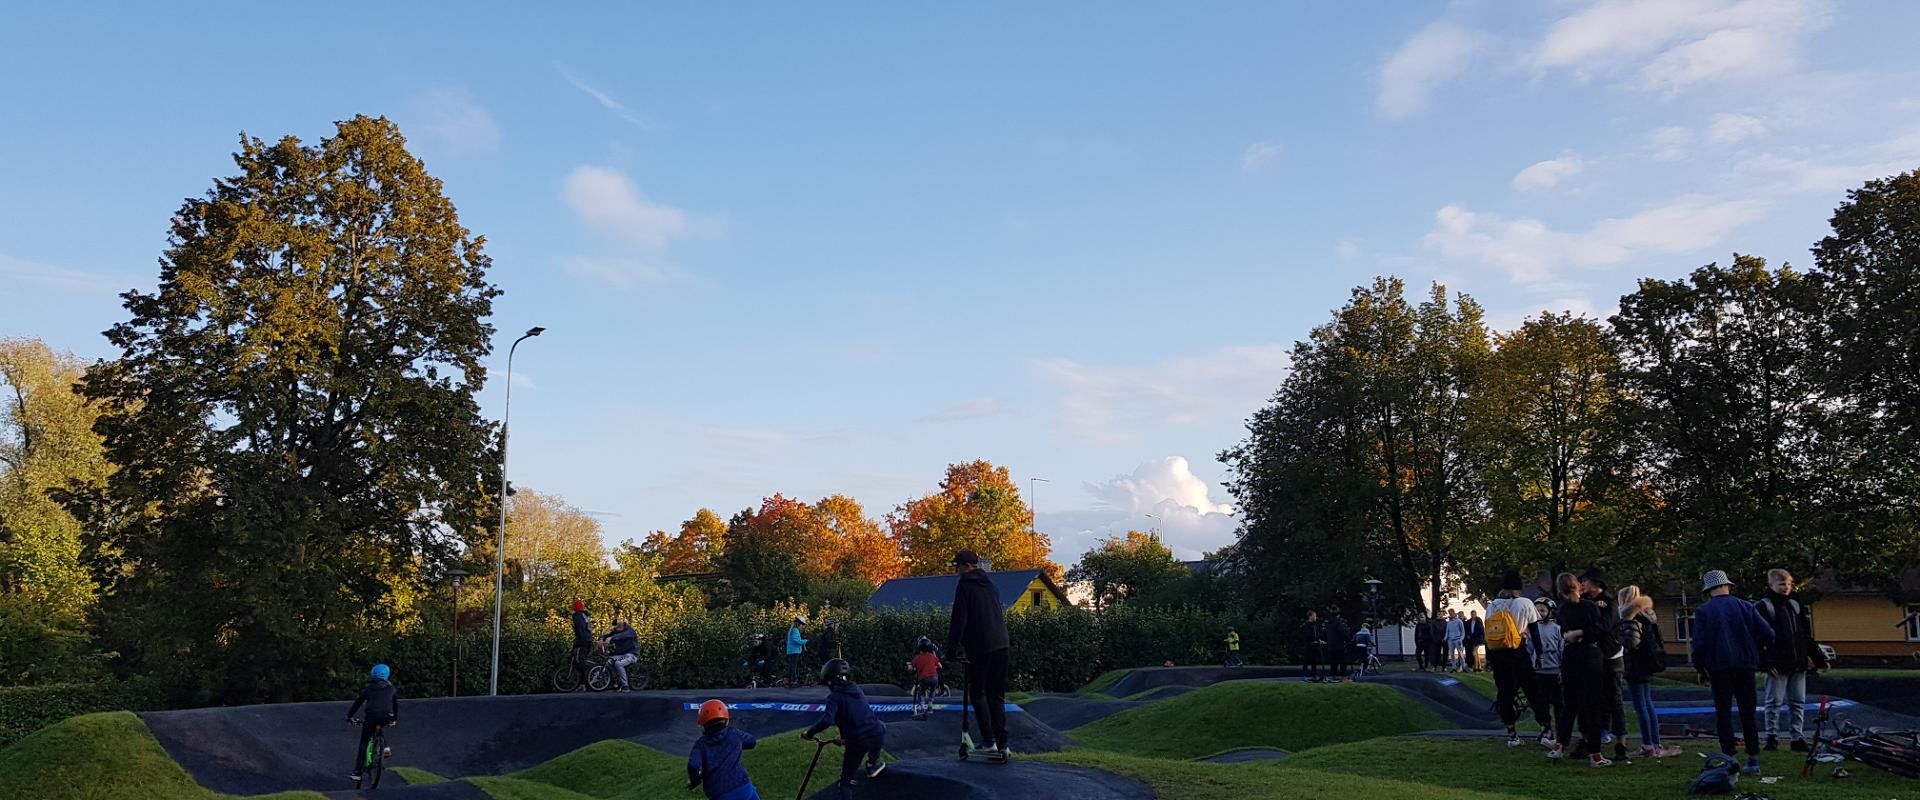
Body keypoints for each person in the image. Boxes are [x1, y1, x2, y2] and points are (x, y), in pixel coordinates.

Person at [1691, 569, 1776, 775]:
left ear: (1708, 590)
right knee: (1748, 712)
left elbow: (1699, 645)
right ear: (1728, 585)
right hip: (1746, 665)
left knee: (1724, 713)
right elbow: (1768, 633)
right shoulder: (1746, 606)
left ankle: (1730, 758)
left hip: (1719, 666)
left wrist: (1700, 668)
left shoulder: (1704, 611)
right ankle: (1753, 759)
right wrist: (1754, 648)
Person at [944, 549, 1012, 756]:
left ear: (965, 566)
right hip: (1002, 643)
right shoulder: (990, 584)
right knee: (996, 696)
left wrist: (951, 651)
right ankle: (1004, 744)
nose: (957, 571)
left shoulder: (965, 586)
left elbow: (959, 620)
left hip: (981, 646)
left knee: (978, 692)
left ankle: (989, 740)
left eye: (957, 566)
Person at [1754, 568, 1828, 751]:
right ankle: (1772, 736)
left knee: (1798, 702)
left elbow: (1806, 636)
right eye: (1781, 584)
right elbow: (1757, 639)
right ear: (1771, 585)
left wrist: (1818, 659)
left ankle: (1797, 737)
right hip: (1777, 664)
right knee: (1774, 702)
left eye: (1788, 584)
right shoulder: (1763, 607)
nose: (1785, 588)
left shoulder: (1795, 606)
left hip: (1798, 662)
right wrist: (1765, 663)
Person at [1550, 572, 1611, 767]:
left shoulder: (1562, 610)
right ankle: (1595, 753)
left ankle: (1560, 745)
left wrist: (1573, 634)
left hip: (1571, 656)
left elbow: (1563, 633)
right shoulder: (1589, 607)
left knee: (1569, 704)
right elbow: (1600, 628)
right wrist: (1585, 631)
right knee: (1593, 704)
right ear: (1577, 585)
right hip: (1591, 655)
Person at [803, 658, 887, 798]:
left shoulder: (834, 697)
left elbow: (827, 720)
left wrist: (810, 733)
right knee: (881, 727)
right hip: (877, 732)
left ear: (829, 680)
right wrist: (843, 739)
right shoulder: (857, 690)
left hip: (858, 741)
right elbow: (855, 716)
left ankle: (848, 786)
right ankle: (873, 763)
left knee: (845, 782)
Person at [1485, 570, 1548, 747]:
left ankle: (1512, 733)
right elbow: (1534, 632)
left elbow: (1488, 633)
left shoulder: (1493, 605)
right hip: (1517, 649)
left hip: (1498, 652)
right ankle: (1545, 728)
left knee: (1505, 693)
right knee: (1532, 690)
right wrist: (1539, 654)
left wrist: (1489, 658)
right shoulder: (1525, 603)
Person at [1620, 586, 1680, 759]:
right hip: (1648, 663)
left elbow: (1631, 643)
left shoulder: (1630, 617)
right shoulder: (1648, 615)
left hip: (1635, 665)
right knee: (1648, 702)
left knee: (1640, 704)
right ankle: (1655, 742)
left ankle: (1648, 744)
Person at [1583, 570, 1630, 763]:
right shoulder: (1586, 602)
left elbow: (1602, 626)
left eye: (1585, 581)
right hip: (1592, 656)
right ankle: (1589, 741)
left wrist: (1586, 623)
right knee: (1591, 701)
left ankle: (1621, 743)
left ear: (1596, 584)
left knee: (1614, 700)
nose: (1582, 585)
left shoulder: (1610, 604)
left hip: (1610, 656)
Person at [688, 699, 761, 800]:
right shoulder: (734, 734)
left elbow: (693, 765)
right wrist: (735, 744)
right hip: (743, 787)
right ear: (726, 720)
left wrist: (695, 781)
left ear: (703, 725)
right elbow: (752, 742)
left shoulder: (701, 744)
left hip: (720, 793)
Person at [347, 663, 399, 782]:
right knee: (379, 727)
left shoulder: (369, 688)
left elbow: (358, 702)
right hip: (387, 715)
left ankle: (357, 772)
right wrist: (394, 719)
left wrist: (349, 716)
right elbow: (395, 705)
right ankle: (385, 747)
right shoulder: (391, 688)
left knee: (364, 742)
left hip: (371, 715)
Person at [1528, 598, 1564, 747]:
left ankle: (1561, 732)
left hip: (1554, 672)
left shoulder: (1557, 629)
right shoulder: (1532, 629)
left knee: (1558, 704)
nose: (1540, 613)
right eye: (1537, 611)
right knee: (1540, 704)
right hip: (1538, 672)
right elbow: (1529, 649)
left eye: (1543, 610)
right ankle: (1546, 729)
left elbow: (1562, 649)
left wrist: (1562, 669)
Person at [600, 618, 639, 691]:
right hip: (620, 654)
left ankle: (625, 686)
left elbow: (623, 635)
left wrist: (611, 638)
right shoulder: (616, 631)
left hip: (631, 654)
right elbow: (607, 635)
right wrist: (602, 639)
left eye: (617, 628)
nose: (615, 630)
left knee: (619, 664)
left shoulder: (629, 631)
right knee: (608, 662)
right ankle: (615, 682)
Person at [909, 637, 943, 712]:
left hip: (924, 678)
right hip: (934, 677)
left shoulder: (917, 657)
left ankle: (922, 708)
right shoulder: (932, 656)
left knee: (921, 692)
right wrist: (933, 666)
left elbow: (911, 668)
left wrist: (910, 666)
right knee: (933, 690)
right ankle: (930, 706)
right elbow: (940, 666)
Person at [1294, 610, 1326, 682]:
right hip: (1308, 646)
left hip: (1314, 646)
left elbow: (1317, 634)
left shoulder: (1315, 625)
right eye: (1314, 616)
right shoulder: (1306, 625)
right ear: (1310, 616)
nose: (1316, 617)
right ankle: (1304, 676)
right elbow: (1307, 636)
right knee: (1306, 661)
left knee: (1314, 661)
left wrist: (1319, 640)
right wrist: (1316, 639)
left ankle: (1314, 675)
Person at [569, 600, 593, 691]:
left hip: (582, 641)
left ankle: (584, 682)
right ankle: (583, 683)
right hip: (589, 640)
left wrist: (577, 641)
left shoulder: (577, 615)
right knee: (582, 659)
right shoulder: (585, 615)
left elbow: (580, 629)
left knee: (579, 660)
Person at [1326, 610, 1352, 682]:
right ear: (1338, 615)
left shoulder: (1328, 624)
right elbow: (1343, 632)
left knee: (1333, 662)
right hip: (1339, 646)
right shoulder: (1338, 623)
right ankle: (1343, 676)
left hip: (1330, 646)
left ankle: (1332, 676)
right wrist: (1349, 639)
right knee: (1343, 661)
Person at [786, 616, 809, 686]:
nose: (802, 626)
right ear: (799, 624)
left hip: (791, 651)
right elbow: (797, 641)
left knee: (792, 666)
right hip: (794, 651)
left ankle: (791, 680)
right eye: (802, 624)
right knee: (793, 666)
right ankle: (794, 680)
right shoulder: (795, 630)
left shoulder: (792, 629)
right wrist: (806, 641)